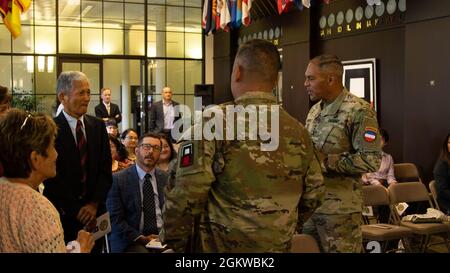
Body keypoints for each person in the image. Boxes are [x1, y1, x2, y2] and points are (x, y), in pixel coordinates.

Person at [161, 39, 325, 253]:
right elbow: (315, 191)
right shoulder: (298, 130)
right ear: (275, 80)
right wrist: (282, 224)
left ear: (237, 72)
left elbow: (187, 189)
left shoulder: (214, 121)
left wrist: (174, 240)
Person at [303, 54, 382, 253]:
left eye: (311, 78)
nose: (305, 83)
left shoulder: (359, 111)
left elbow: (371, 160)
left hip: (340, 212)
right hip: (311, 206)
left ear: (330, 79)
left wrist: (327, 161)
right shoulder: (314, 111)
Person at [0, 109, 94, 253]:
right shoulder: (38, 209)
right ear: (35, 158)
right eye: (51, 147)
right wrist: (81, 248)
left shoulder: (4, 188)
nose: (56, 154)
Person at [43, 71, 112, 251]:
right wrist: (76, 209)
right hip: (63, 215)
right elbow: (51, 177)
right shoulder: (50, 129)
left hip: (95, 216)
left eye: (89, 92)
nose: (87, 98)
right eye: (81, 93)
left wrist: (93, 204)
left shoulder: (97, 126)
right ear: (62, 96)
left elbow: (105, 170)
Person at [107, 133, 168, 253]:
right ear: (136, 150)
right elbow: (115, 219)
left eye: (156, 148)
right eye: (146, 146)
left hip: (162, 237)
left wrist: (163, 235)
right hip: (131, 239)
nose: (151, 151)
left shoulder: (166, 178)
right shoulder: (118, 180)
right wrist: (141, 238)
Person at [433, 133, 450, 215]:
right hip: (447, 203)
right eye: (449, 142)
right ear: (446, 145)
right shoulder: (442, 165)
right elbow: (442, 191)